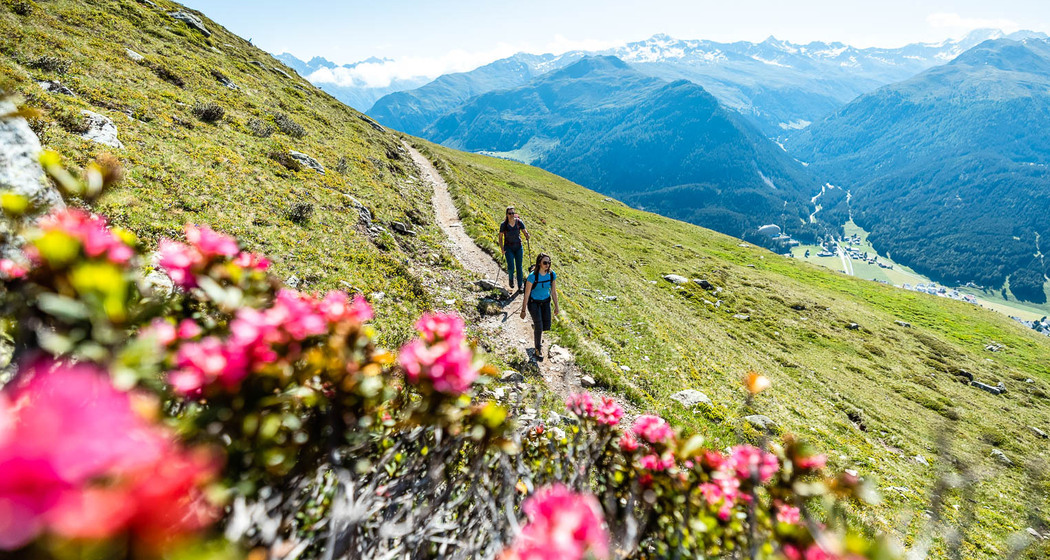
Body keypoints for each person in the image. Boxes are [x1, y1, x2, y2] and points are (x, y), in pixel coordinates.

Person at [519, 253, 558, 361]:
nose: (547, 265)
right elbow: (526, 294)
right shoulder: (532, 277)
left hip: (545, 302)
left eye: (549, 262)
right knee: (539, 326)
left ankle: (537, 328)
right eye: (545, 262)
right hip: (533, 303)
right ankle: (538, 349)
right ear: (539, 263)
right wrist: (523, 310)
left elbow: (554, 292)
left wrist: (556, 307)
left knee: (546, 326)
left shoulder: (551, 274)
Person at [497, 206, 530, 290]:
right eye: (510, 213)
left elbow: (524, 231)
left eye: (513, 213)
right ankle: (511, 279)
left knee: (519, 266)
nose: (512, 215)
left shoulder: (519, 222)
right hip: (508, 247)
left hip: (518, 246)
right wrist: (502, 248)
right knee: (511, 266)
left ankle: (520, 285)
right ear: (507, 214)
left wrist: (527, 235)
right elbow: (500, 237)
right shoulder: (503, 225)